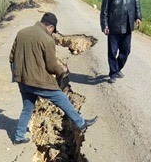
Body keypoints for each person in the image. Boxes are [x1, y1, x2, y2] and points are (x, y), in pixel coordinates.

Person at [9, 12, 98, 145]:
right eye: (52, 31)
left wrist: (16, 76)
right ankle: (81, 123)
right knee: (61, 98)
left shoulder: (21, 33)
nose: (52, 33)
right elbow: (51, 66)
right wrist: (61, 71)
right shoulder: (47, 39)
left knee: (27, 108)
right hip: (37, 81)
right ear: (50, 27)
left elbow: (11, 58)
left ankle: (18, 136)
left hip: (22, 80)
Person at [100, 0, 142, 83]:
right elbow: (104, 8)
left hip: (128, 23)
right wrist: (105, 25)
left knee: (126, 50)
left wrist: (138, 17)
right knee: (113, 51)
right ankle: (113, 73)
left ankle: (117, 68)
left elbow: (136, 0)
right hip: (114, 24)